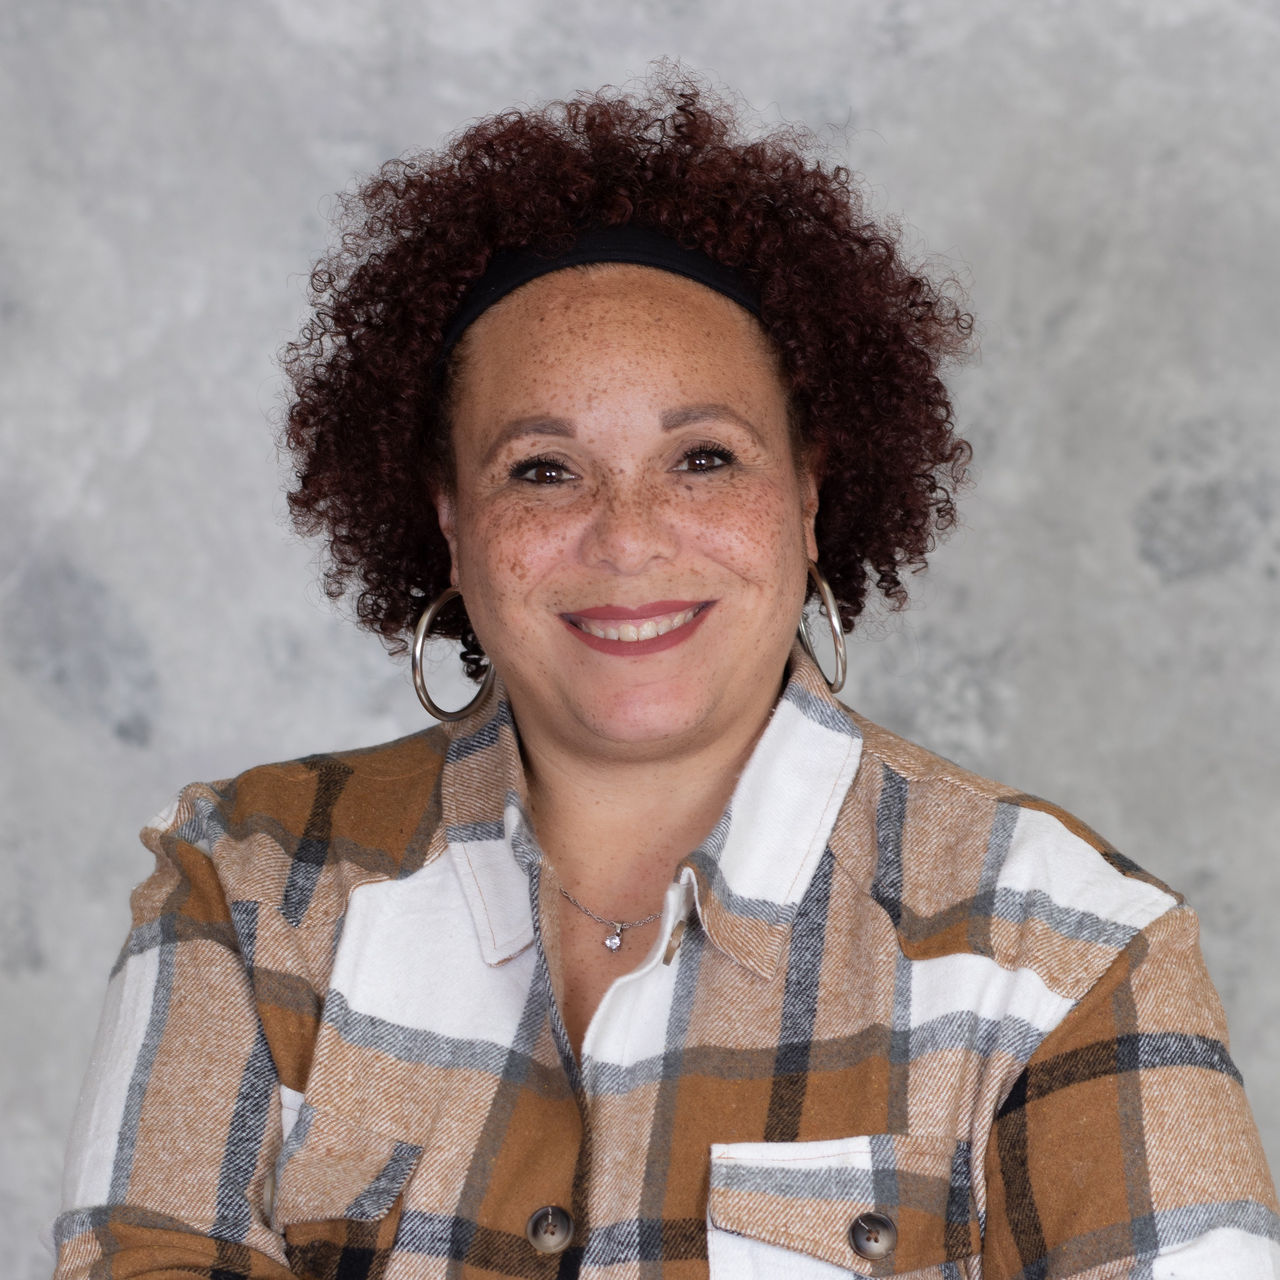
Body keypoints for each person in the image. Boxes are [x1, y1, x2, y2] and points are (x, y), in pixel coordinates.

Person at [54, 73, 1277, 1280]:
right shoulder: (247, 887)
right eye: (542, 469)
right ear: (451, 524)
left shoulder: (1067, 950)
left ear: (806, 497)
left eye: (702, 457)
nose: (627, 536)